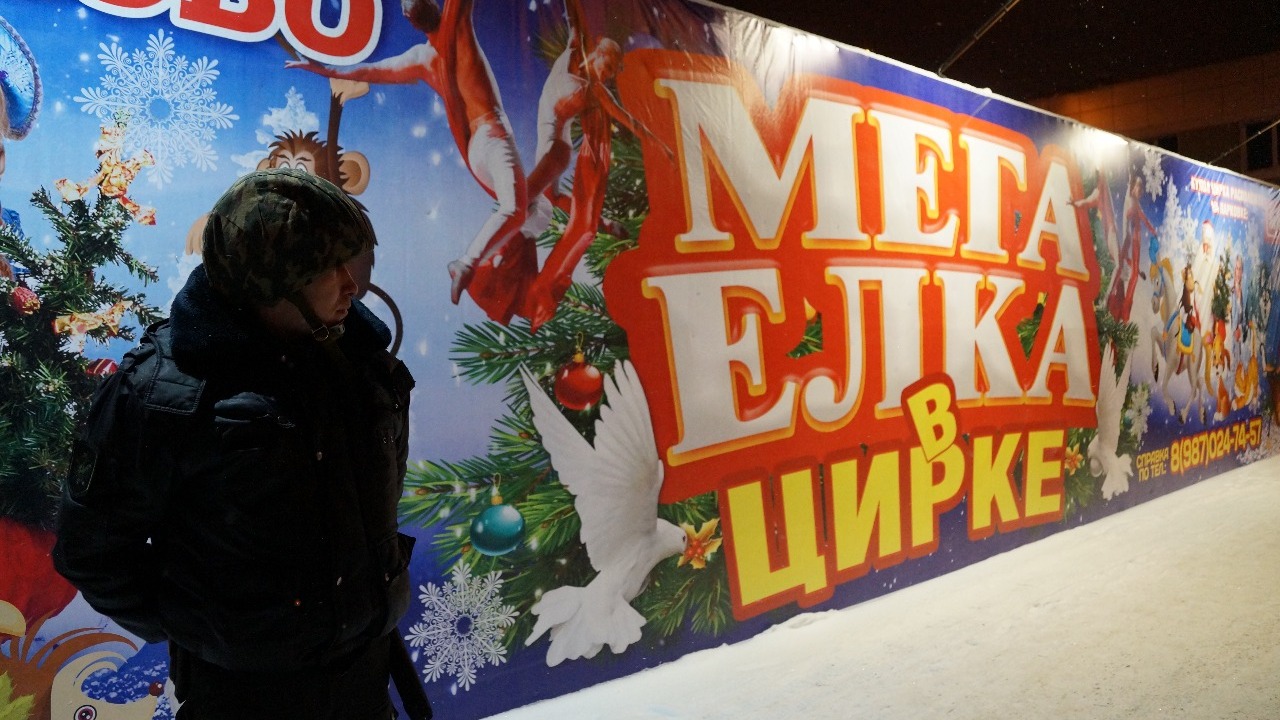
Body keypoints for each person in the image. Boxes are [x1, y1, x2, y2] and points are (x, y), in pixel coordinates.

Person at [53, 168, 417, 720]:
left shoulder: (360, 360)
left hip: (365, 675)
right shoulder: (162, 393)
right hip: (243, 696)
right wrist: (204, 627)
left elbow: (380, 494)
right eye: (328, 269)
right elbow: (93, 549)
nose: (352, 285)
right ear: (272, 282)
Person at [288, 0, 529, 307]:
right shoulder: (456, 32)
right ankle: (467, 264)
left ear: (408, 19)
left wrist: (319, 69)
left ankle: (499, 271)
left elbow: (366, 71)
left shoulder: (420, 59)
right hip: (493, 139)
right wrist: (320, 68)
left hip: (478, 151)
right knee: (515, 209)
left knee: (535, 207)